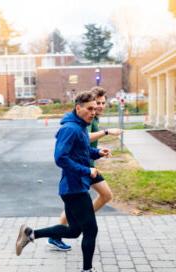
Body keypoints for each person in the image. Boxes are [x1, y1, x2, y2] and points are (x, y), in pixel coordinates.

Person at [15, 91, 112, 272]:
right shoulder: (71, 129)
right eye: (89, 108)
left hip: (74, 187)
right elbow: (61, 158)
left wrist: (97, 152)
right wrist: (86, 170)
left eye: (95, 108)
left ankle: (31, 234)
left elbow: (81, 151)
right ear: (78, 108)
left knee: (74, 231)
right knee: (90, 230)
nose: (93, 112)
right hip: (74, 188)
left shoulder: (80, 127)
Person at [47, 86, 122, 251]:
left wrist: (97, 153)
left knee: (100, 197)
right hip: (83, 168)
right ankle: (64, 230)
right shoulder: (81, 122)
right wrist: (106, 132)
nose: (100, 107)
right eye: (96, 105)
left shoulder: (91, 118)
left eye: (102, 104)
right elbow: (81, 140)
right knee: (93, 200)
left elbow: (83, 145)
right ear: (80, 108)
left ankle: (65, 229)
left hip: (87, 164)